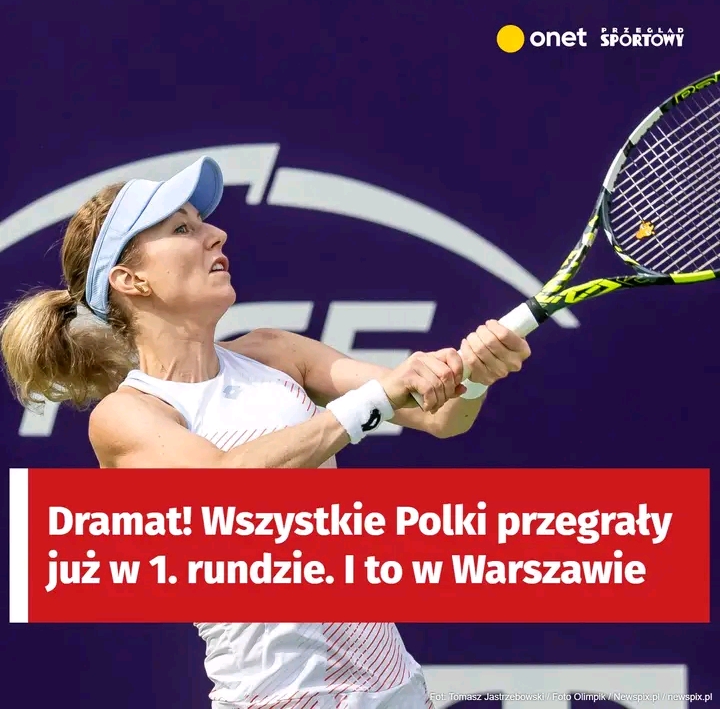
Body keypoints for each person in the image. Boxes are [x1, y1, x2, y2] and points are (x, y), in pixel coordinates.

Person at [0, 157, 531, 708]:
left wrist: (475, 374)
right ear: (130, 281)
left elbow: (441, 416)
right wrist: (376, 398)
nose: (216, 234)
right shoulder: (127, 415)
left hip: (395, 688)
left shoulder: (276, 353)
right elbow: (225, 487)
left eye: (203, 223)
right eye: (182, 228)